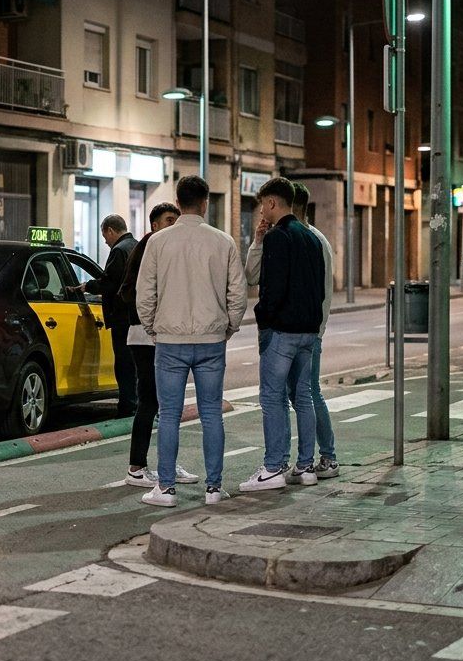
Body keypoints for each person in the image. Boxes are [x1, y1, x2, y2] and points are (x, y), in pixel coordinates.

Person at [136, 177, 246, 507]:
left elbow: (145, 293)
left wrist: (153, 328)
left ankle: (166, 489)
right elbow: (237, 295)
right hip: (212, 340)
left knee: (169, 415)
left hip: (169, 340)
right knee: (212, 413)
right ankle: (214, 489)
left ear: (179, 202)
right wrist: (229, 327)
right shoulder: (223, 242)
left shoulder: (158, 242)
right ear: (205, 202)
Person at [243, 183, 339, 482]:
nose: (261, 211)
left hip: (282, 331)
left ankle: (274, 467)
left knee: (272, 398)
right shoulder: (313, 238)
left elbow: (271, 286)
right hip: (309, 332)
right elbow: (320, 287)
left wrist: (263, 317)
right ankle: (306, 465)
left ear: (272, 202)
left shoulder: (279, 237)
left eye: (262, 205)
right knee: (305, 396)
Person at [115, 202, 194, 488]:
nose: (174, 225)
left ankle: (166, 465)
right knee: (149, 400)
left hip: (162, 335)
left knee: (166, 403)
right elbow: (129, 291)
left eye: (177, 219)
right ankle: (136, 467)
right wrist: (152, 320)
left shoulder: (166, 248)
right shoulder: (148, 247)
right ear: (155, 225)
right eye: (169, 220)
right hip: (145, 337)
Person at [74, 215, 138, 418]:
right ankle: (134, 402)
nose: (105, 241)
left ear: (111, 230)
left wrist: (88, 286)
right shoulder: (135, 246)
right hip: (135, 315)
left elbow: (110, 282)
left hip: (121, 315)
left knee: (124, 363)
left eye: (105, 236)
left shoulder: (119, 250)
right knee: (134, 363)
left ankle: (127, 405)